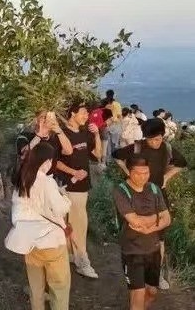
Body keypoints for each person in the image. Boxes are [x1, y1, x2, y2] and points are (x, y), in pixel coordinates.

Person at [113, 118, 188, 290]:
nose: (155, 142)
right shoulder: (137, 147)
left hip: (157, 195)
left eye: (158, 139)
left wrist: (166, 177)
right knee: (135, 229)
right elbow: (116, 155)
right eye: (151, 139)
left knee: (159, 236)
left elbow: (182, 163)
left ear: (162, 136)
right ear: (145, 137)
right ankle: (134, 271)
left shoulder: (167, 148)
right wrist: (128, 173)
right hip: (136, 195)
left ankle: (157, 274)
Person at [5, 142, 72, 310]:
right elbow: (60, 209)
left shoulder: (23, 179)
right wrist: (65, 198)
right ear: (46, 161)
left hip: (29, 242)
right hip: (51, 242)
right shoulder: (47, 182)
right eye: (51, 160)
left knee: (36, 290)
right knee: (59, 287)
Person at [112, 155, 171, 310]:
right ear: (129, 172)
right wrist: (157, 217)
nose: (142, 177)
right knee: (138, 294)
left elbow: (167, 219)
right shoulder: (121, 191)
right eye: (138, 173)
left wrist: (150, 227)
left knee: (151, 292)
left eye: (146, 173)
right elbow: (135, 221)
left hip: (153, 250)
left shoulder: (154, 189)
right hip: (132, 251)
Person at [55, 101, 101, 278]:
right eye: (83, 112)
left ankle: (71, 256)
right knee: (77, 225)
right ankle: (82, 261)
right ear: (73, 113)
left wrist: (96, 134)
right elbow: (55, 162)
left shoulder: (85, 133)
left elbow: (97, 155)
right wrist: (73, 172)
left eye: (87, 113)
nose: (86, 116)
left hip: (82, 187)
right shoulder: (61, 134)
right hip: (68, 186)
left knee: (74, 223)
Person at [15, 110, 73, 175]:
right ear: (37, 119)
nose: (48, 120)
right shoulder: (26, 135)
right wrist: (39, 135)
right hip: (30, 177)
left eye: (51, 117)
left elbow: (69, 151)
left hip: (48, 177)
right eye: (45, 117)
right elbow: (24, 156)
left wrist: (58, 130)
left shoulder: (55, 137)